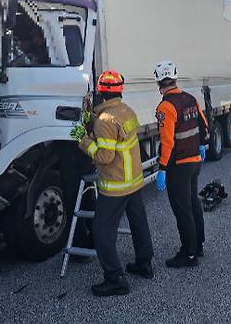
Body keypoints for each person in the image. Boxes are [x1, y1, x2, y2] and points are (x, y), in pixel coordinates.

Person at [74, 70, 154, 297]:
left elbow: (105, 157)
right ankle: (144, 264)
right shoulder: (126, 111)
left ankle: (115, 279)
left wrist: (83, 139)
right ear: (120, 90)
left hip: (116, 185)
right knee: (138, 223)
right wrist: (92, 120)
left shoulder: (105, 121)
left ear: (100, 91)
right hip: (134, 180)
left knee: (101, 232)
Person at [153, 60, 208, 268]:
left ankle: (189, 253)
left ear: (159, 83)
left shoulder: (166, 106)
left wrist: (162, 169)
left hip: (179, 165)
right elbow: (203, 124)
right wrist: (201, 145)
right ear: (175, 79)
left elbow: (167, 142)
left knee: (182, 209)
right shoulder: (191, 98)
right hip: (194, 161)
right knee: (193, 204)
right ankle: (198, 245)